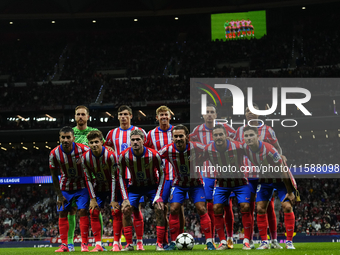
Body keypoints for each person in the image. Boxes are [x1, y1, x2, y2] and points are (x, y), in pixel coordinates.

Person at [234, 104, 286, 249]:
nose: (249, 113)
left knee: (268, 207)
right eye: (247, 111)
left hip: (265, 176)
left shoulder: (268, 130)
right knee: (248, 207)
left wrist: (281, 157)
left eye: (253, 111)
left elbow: (277, 147)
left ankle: (274, 240)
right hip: (247, 175)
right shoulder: (239, 131)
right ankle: (248, 240)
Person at [159, 124, 215, 251]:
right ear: (172, 138)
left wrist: (202, 160)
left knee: (201, 209)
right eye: (175, 136)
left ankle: (210, 242)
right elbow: (154, 157)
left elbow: (210, 150)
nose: (178, 139)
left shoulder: (196, 147)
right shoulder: (168, 150)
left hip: (196, 184)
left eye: (181, 136)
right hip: (179, 184)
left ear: (187, 137)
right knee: (173, 209)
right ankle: (173, 242)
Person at [242, 126, 297, 250]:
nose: (249, 138)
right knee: (260, 208)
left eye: (251, 135)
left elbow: (283, 170)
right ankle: (264, 243)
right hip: (265, 180)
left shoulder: (269, 150)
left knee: (287, 206)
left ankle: (289, 243)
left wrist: (290, 192)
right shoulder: (245, 148)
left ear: (257, 136)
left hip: (281, 180)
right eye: (246, 136)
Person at [190, 104, 235, 248]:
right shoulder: (197, 130)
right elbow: (188, 141)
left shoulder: (226, 129)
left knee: (227, 206)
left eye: (212, 112)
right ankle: (214, 239)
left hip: (224, 173)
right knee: (210, 206)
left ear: (216, 115)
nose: (209, 115)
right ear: (203, 115)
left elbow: (237, 141)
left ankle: (230, 238)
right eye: (206, 112)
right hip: (206, 173)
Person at [201, 124, 252, 250]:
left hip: (240, 182)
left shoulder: (238, 147)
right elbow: (197, 160)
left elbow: (254, 156)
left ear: (226, 135)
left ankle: (246, 241)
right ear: (213, 136)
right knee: (216, 207)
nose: (218, 137)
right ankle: (223, 242)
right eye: (216, 135)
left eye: (221, 134)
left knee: (245, 206)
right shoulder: (208, 149)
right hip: (222, 184)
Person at [104, 105, 147, 249]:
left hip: (135, 176)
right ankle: (118, 243)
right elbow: (107, 149)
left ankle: (139, 242)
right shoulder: (111, 133)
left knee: (135, 209)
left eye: (126, 114)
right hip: (118, 177)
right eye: (120, 114)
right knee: (118, 210)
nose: (123, 117)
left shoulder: (140, 132)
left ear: (130, 116)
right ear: (117, 116)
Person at [118, 129, 166, 251]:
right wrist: (124, 198)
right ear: (130, 141)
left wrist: (159, 195)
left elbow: (162, 175)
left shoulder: (154, 155)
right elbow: (120, 177)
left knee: (160, 208)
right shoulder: (123, 156)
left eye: (138, 139)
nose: (135, 142)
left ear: (143, 141)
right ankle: (129, 244)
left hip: (152, 186)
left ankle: (159, 243)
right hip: (134, 187)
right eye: (133, 140)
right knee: (126, 209)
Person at [67, 105, 106, 252]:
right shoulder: (70, 133)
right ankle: (70, 243)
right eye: (78, 114)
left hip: (92, 177)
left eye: (83, 114)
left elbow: (103, 150)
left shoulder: (94, 133)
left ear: (88, 116)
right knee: (71, 210)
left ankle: (98, 243)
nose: (81, 117)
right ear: (75, 116)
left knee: (94, 209)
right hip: (74, 177)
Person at [49, 126, 90, 252]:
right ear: (59, 138)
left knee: (82, 211)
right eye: (63, 137)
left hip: (82, 185)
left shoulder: (84, 149)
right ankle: (64, 245)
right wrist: (59, 195)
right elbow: (54, 176)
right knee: (62, 212)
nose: (65, 140)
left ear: (73, 138)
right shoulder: (54, 153)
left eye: (68, 137)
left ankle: (84, 244)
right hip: (65, 186)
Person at [82, 130, 121, 252]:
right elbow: (87, 178)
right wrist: (92, 199)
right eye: (91, 142)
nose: (94, 144)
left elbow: (115, 177)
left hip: (114, 186)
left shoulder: (110, 155)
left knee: (116, 211)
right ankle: (98, 244)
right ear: (88, 143)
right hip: (99, 187)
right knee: (93, 211)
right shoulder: (85, 158)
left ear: (102, 142)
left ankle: (116, 243)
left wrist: (114, 199)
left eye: (96, 142)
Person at [145, 105, 174, 248]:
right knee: (161, 209)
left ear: (170, 116)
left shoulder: (177, 131)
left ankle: (174, 240)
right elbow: (146, 152)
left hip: (175, 176)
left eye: (166, 115)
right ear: (157, 118)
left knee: (175, 209)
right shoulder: (150, 134)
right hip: (160, 177)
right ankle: (163, 242)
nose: (163, 117)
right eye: (161, 115)